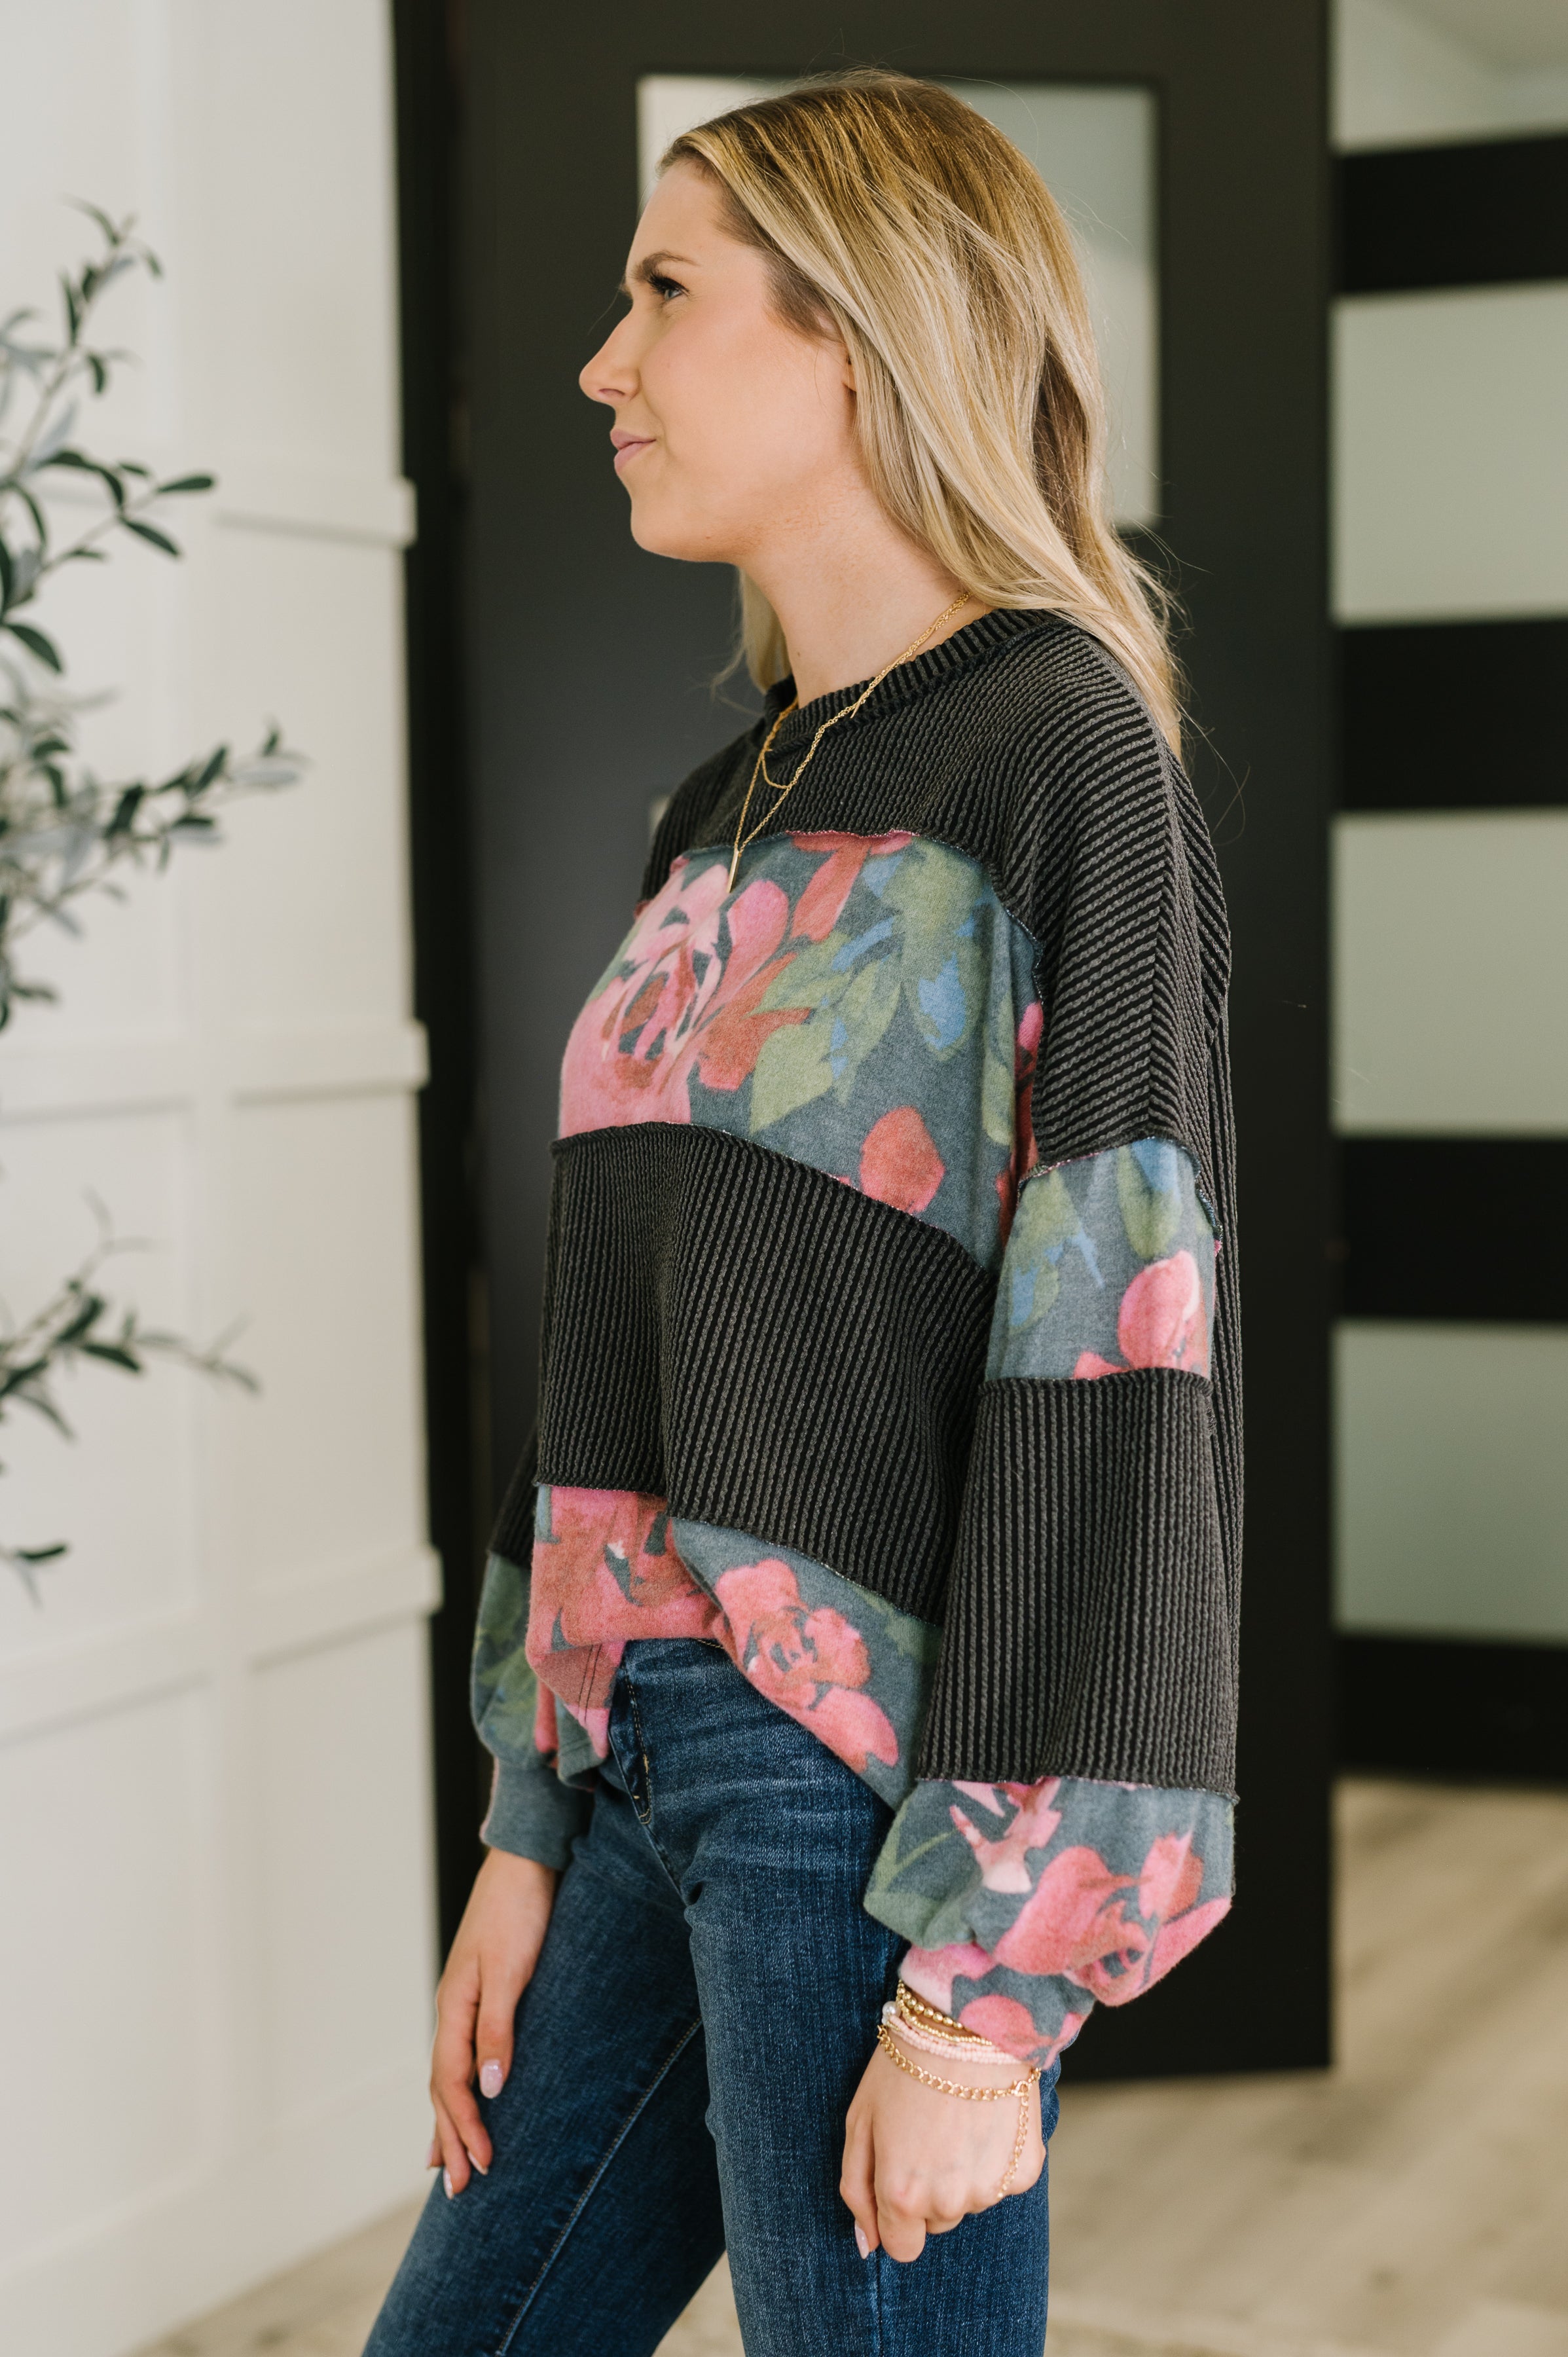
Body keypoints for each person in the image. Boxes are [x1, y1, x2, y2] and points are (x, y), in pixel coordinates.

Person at [367, 67, 1241, 2357]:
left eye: (663, 294)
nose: (601, 365)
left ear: (855, 331)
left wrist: (986, 1994)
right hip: (643, 1748)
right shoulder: (717, 797)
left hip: (860, 1793)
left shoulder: (1057, 752)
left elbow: (1111, 1365)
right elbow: (609, 1330)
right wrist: (525, 1818)